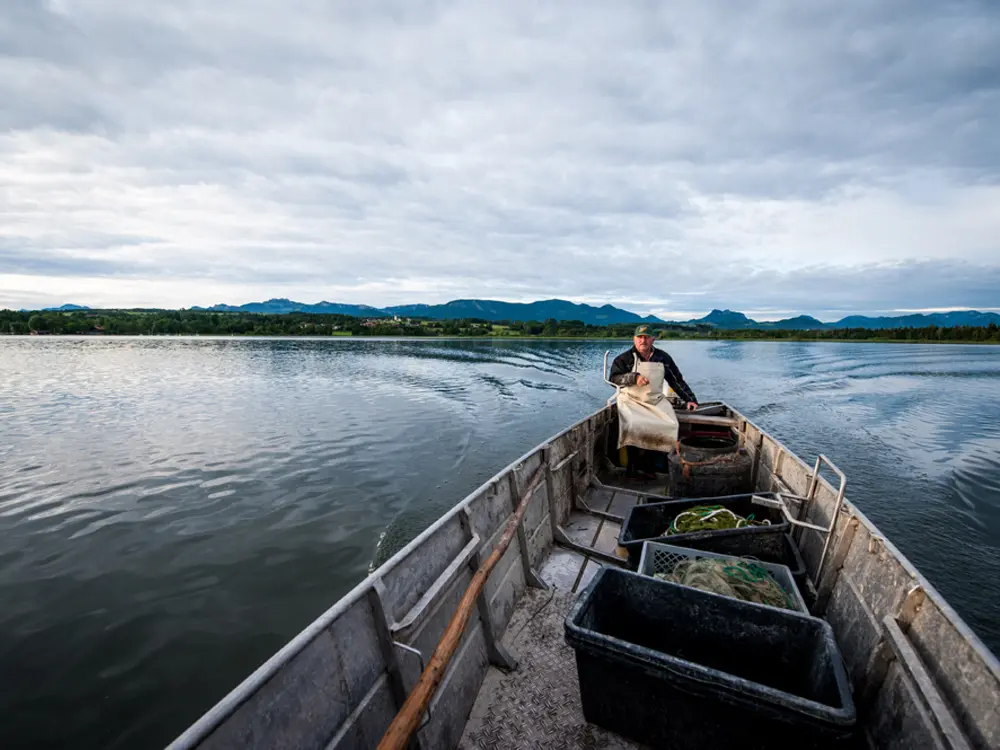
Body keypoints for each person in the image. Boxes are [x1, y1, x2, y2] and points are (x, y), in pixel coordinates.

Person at [609, 325, 698, 477]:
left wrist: (690, 399)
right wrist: (634, 377)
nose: (643, 340)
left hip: (655, 400)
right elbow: (614, 378)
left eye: (646, 337)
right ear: (634, 339)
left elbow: (677, 380)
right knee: (632, 425)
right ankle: (632, 466)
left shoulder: (663, 358)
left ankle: (652, 465)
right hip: (631, 400)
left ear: (653, 339)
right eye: (640, 337)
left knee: (671, 424)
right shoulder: (624, 359)